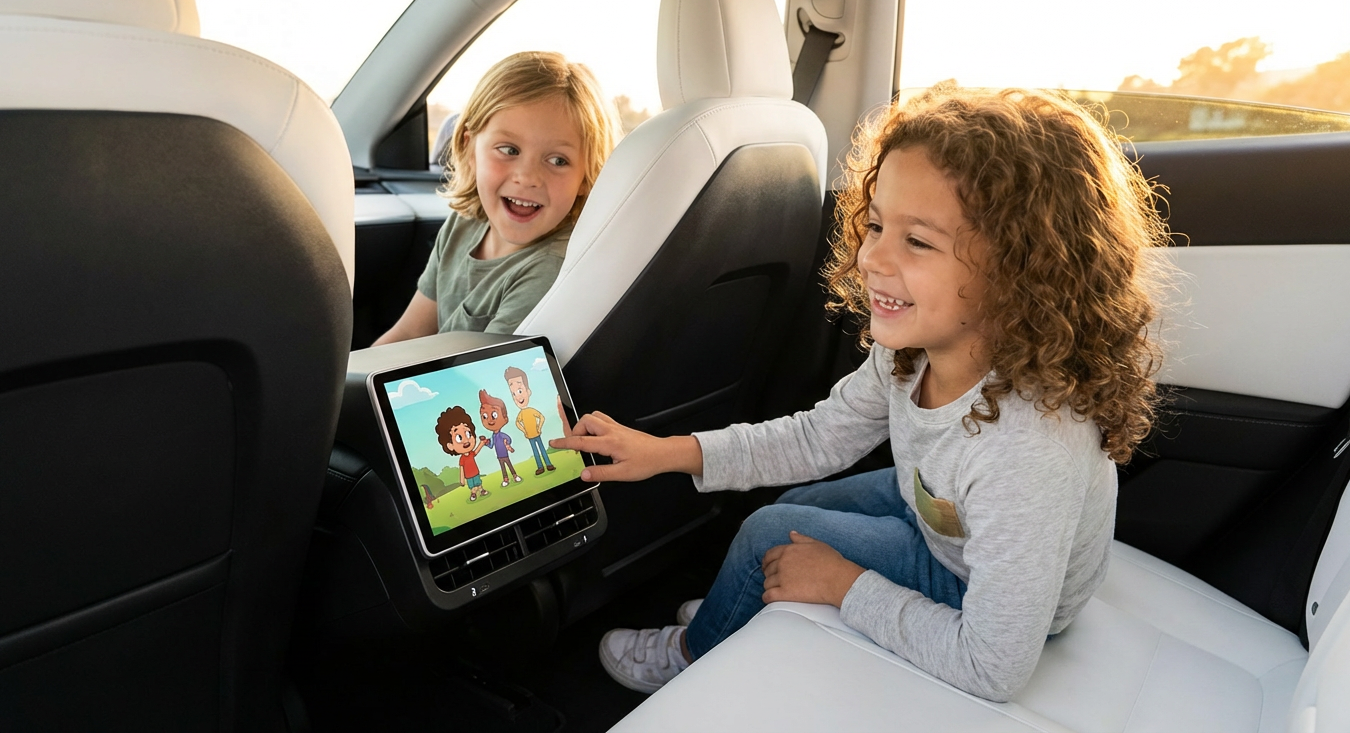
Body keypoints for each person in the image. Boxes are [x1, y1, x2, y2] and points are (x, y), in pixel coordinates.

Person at [550, 86, 1173, 701]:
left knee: (772, 532)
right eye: (875, 224)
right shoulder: (911, 354)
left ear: (1022, 272)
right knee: (801, 503)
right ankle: (738, 600)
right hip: (945, 516)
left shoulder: (1028, 447)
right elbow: (816, 438)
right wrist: (666, 452)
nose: (871, 256)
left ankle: (695, 649)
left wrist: (844, 584)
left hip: (979, 586)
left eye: (917, 240)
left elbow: (994, 666)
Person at [373, 52, 620, 345]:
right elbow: (409, 333)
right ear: (470, 149)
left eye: (558, 160)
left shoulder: (548, 270)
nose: (527, 177)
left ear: (586, 176)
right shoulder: (465, 222)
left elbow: (478, 372)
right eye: (509, 150)